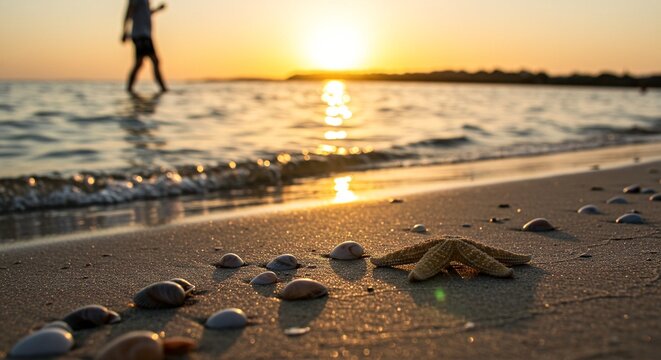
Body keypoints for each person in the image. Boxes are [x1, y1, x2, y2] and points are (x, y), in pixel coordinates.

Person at [122, 0, 168, 93]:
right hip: (141, 35)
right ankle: (163, 88)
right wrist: (125, 31)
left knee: (140, 63)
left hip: (145, 35)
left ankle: (129, 88)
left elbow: (146, 13)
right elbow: (129, 13)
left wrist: (158, 9)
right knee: (153, 60)